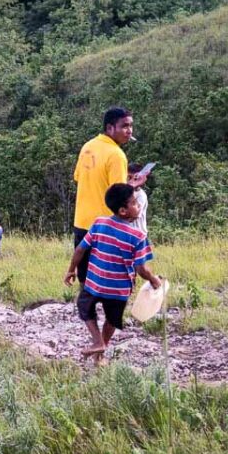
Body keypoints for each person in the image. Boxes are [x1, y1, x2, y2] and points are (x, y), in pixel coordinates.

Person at [64, 184, 162, 366]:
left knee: (85, 307)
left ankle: (97, 342)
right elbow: (142, 270)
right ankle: (102, 348)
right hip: (119, 290)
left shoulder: (99, 223)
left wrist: (71, 270)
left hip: (94, 283)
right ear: (123, 210)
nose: (138, 206)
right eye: (134, 203)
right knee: (112, 319)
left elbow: (80, 249)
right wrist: (154, 280)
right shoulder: (138, 236)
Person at [72, 106, 147, 283]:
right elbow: (119, 195)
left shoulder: (87, 147)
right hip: (105, 227)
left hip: (82, 222)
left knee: (85, 279)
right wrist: (134, 186)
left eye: (131, 126)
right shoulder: (116, 155)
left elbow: (78, 178)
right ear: (110, 128)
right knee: (115, 279)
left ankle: (85, 311)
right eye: (124, 126)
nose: (129, 131)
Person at [127, 163, 150, 235]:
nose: (130, 181)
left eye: (133, 178)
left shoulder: (141, 195)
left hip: (138, 235)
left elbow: (132, 217)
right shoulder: (123, 191)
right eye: (128, 178)